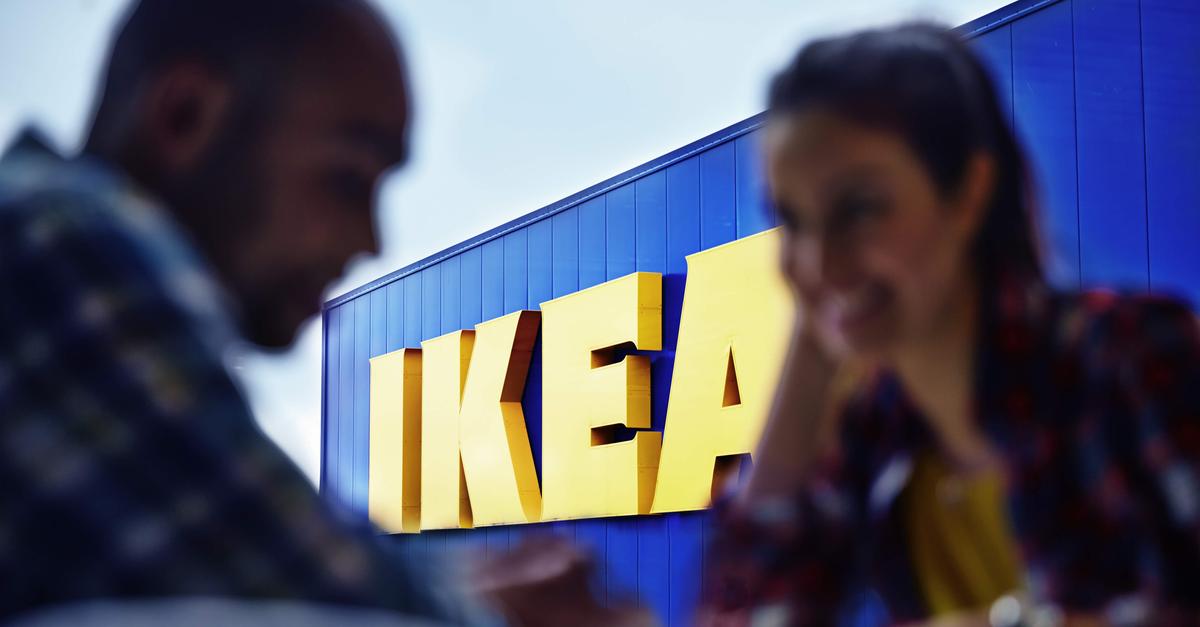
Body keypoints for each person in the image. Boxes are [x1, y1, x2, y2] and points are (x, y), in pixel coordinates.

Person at [0, 1, 633, 625]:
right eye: (348, 178)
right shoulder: (56, 237)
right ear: (184, 115)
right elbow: (283, 571)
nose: (370, 241)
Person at [704, 23, 1200, 626]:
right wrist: (813, 344)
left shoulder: (1127, 354)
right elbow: (744, 611)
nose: (819, 262)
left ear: (969, 190)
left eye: (858, 209)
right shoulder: (877, 427)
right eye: (792, 220)